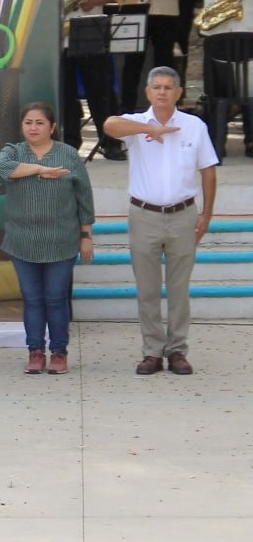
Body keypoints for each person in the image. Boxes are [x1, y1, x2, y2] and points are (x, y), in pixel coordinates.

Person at [105, 68, 219, 375]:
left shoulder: (194, 126)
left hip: (184, 215)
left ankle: (178, 350)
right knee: (148, 288)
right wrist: (151, 130)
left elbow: (208, 170)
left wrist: (206, 214)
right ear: (147, 92)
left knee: (179, 288)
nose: (163, 92)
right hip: (144, 215)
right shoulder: (137, 123)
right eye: (157, 87)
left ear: (179, 92)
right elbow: (109, 125)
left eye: (169, 87)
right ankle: (152, 351)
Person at [0, 103, 96, 375]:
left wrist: (86, 235)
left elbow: (84, 198)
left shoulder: (68, 155)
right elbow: (1, 169)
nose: (34, 127)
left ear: (52, 127)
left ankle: (59, 352)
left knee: (56, 298)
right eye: (28, 122)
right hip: (22, 241)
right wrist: (38, 169)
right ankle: (35, 352)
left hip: (61, 242)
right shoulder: (13, 152)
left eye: (39, 123)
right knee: (32, 299)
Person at [186, 0, 253, 157]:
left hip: (248, 30)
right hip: (216, 31)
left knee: (251, 90)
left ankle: (251, 140)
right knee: (217, 91)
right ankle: (217, 141)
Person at [61, 0, 126, 159]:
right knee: (64, 92)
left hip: (88, 27)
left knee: (101, 90)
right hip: (57, 35)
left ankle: (109, 142)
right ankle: (69, 143)